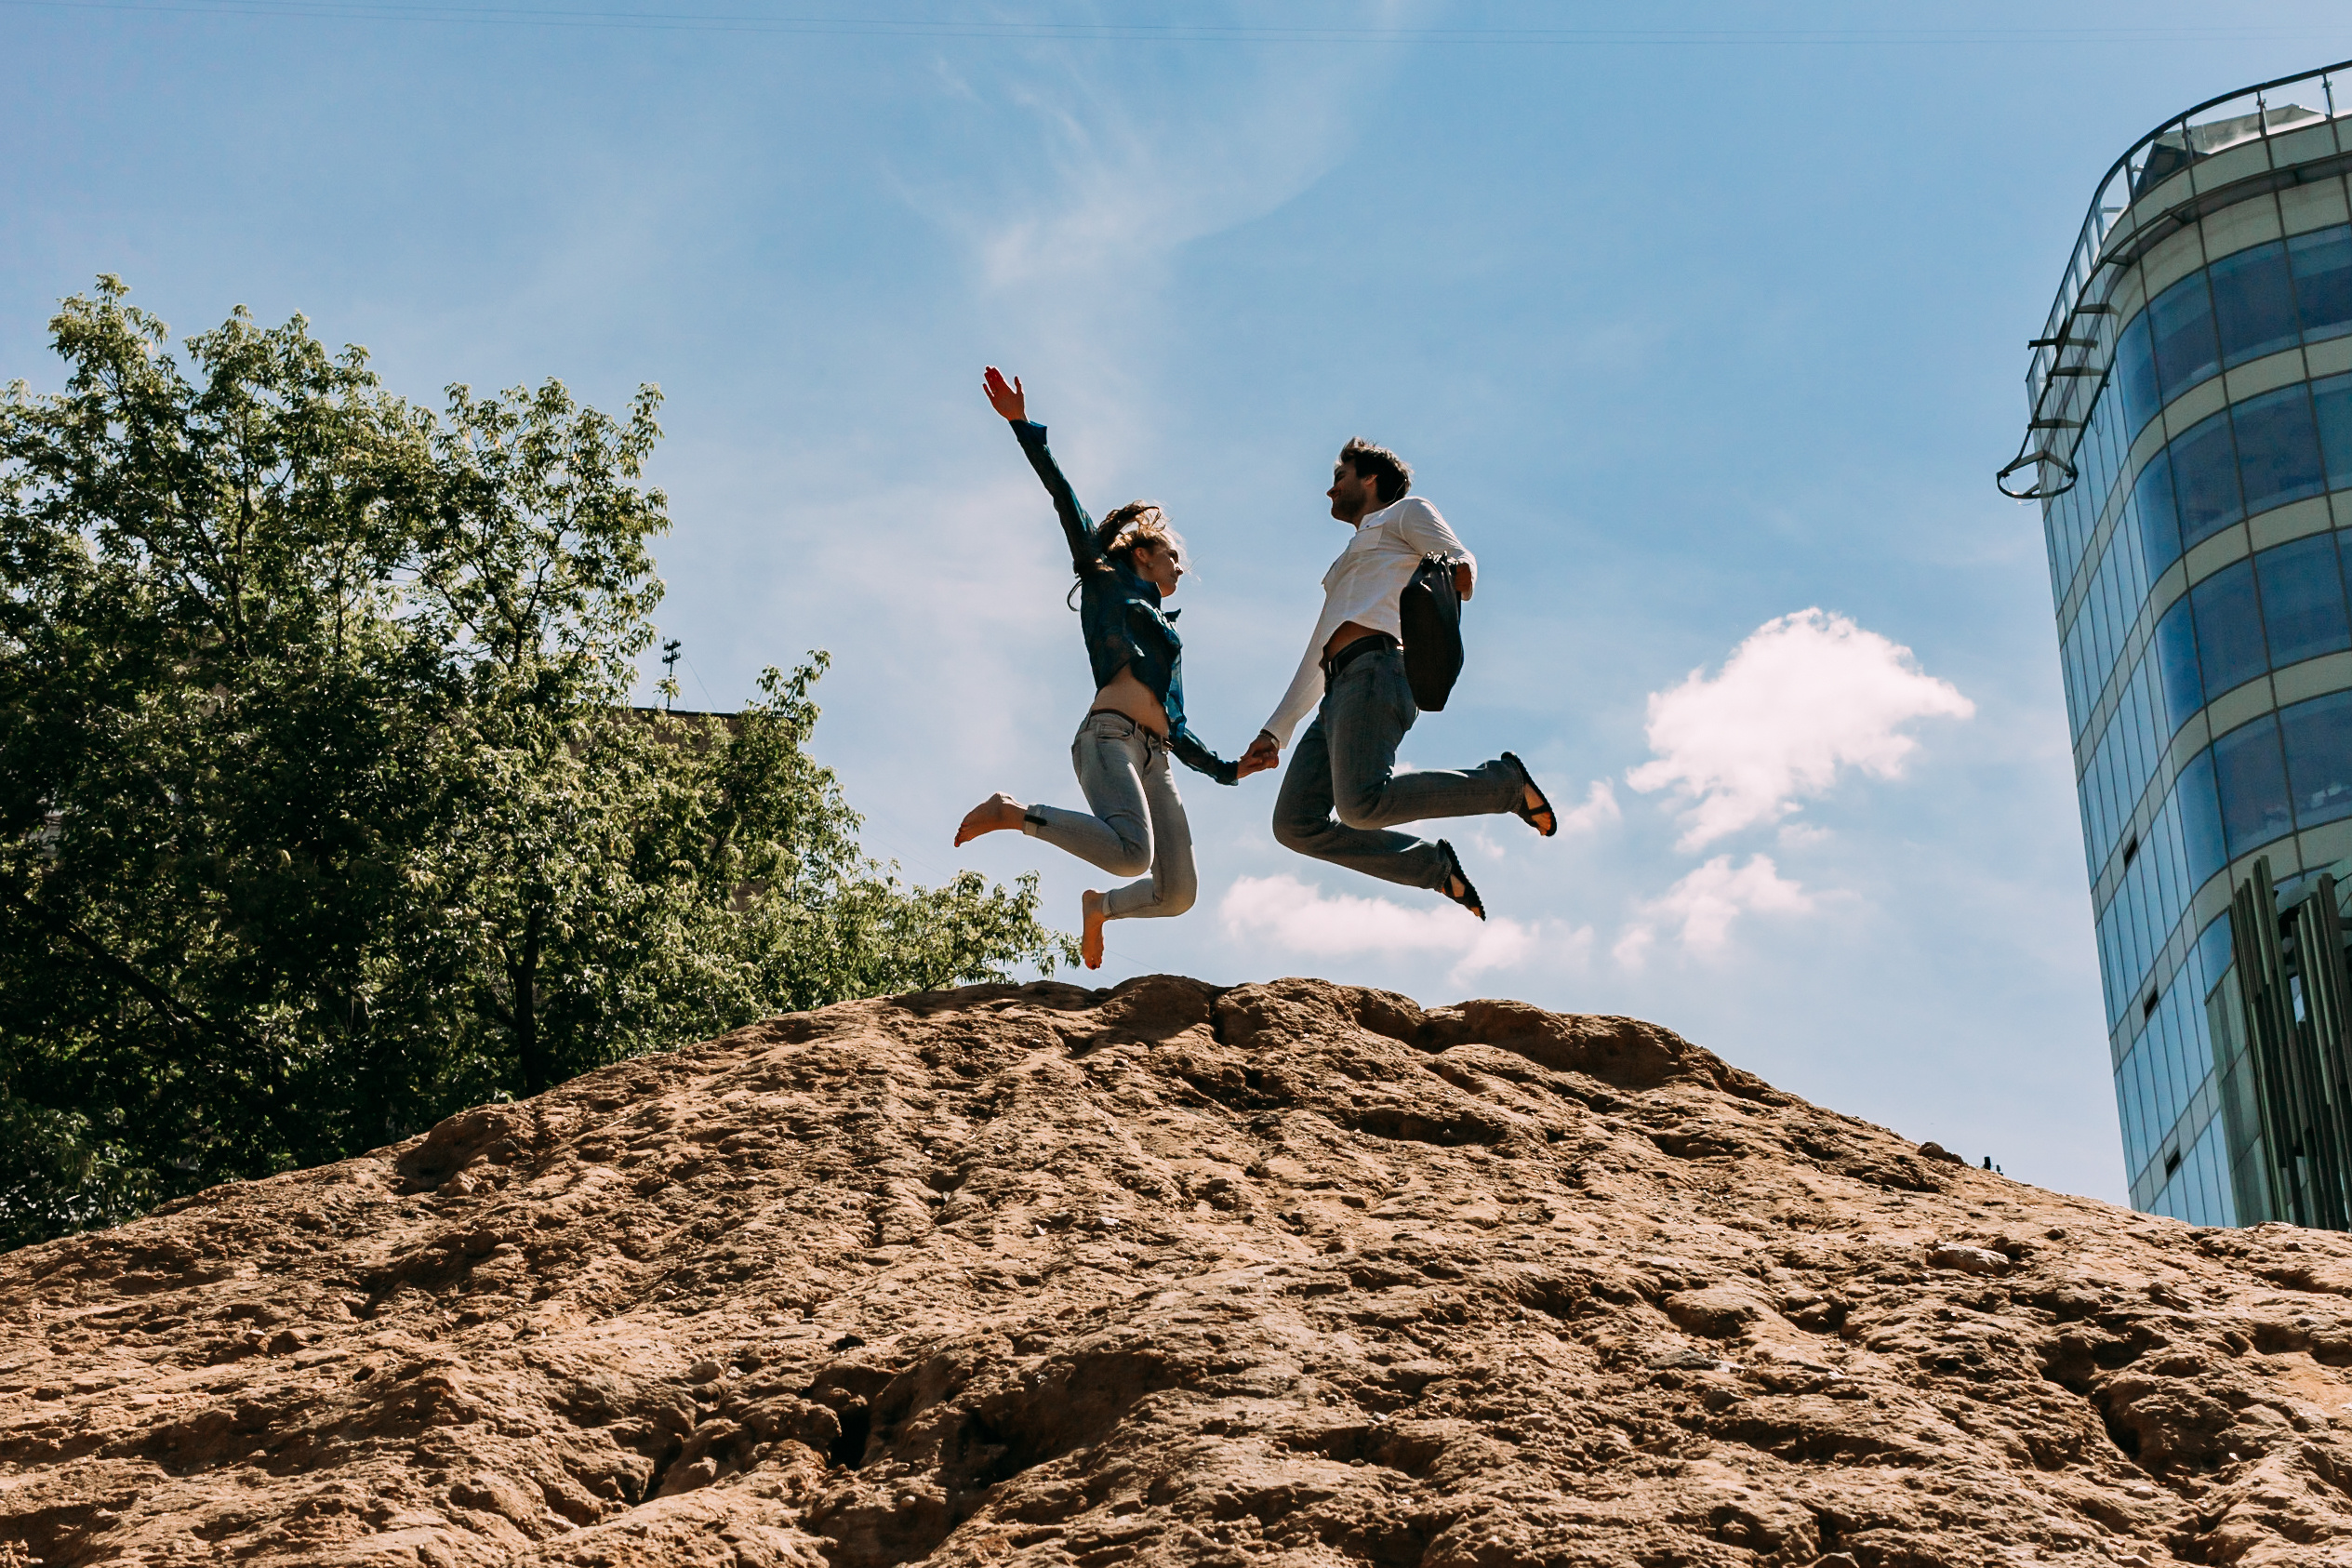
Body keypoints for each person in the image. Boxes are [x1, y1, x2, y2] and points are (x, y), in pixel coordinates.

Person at [955, 366, 1271, 966]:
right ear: (1145, 554)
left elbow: (1174, 724)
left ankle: (1100, 907)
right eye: (1173, 557)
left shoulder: (1165, 630)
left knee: (1177, 893)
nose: (1181, 568)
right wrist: (1025, 428)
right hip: (1107, 739)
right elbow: (1065, 502)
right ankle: (1013, 813)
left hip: (1156, 753)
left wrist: (1232, 770)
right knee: (1133, 853)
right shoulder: (1107, 586)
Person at [1238, 438, 1553, 920]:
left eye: (1340, 476)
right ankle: (1432, 866)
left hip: (1379, 670)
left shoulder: (1405, 513)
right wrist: (1275, 730)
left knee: (1361, 806)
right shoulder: (1345, 561)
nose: (1329, 490)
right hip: (1337, 687)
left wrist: (1455, 576)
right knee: (1295, 824)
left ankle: (1504, 786)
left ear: (1370, 478)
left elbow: (1458, 559)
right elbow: (1319, 644)